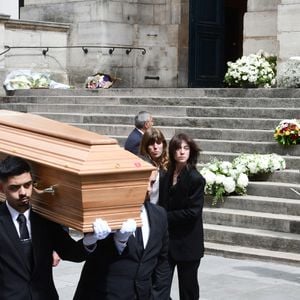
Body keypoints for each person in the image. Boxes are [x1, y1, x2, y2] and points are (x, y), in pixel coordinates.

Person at [0, 155, 107, 300]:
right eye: (14, 188)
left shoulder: (45, 219)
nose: (23, 193)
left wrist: (91, 238)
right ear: (2, 188)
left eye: (27, 185)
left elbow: (71, 253)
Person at [73, 184, 171, 299]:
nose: (149, 188)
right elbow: (88, 254)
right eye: (145, 182)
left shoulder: (159, 214)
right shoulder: (102, 214)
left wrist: (160, 296)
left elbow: (162, 262)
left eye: (152, 183)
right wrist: (117, 240)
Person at [159, 133, 206, 300]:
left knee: (188, 290)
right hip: (167, 243)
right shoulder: (166, 175)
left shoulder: (196, 179)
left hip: (188, 244)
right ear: (172, 152)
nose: (182, 152)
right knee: (160, 286)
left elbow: (193, 212)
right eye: (178, 148)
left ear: (191, 152)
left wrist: (164, 216)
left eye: (186, 148)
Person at [139, 127, 168, 204]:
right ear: (145, 146)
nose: (155, 147)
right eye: (151, 144)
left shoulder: (168, 165)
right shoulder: (140, 164)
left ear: (163, 144)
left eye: (158, 143)